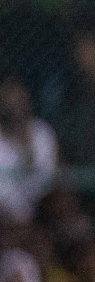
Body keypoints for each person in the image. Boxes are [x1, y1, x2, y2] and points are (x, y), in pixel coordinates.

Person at [0, 78, 58, 224]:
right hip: (6, 215)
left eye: (18, 98)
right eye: (8, 99)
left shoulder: (42, 132)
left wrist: (27, 147)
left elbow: (50, 177)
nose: (14, 105)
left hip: (43, 209)